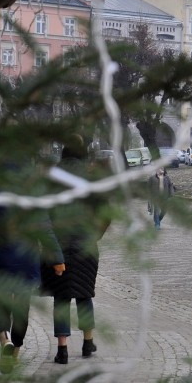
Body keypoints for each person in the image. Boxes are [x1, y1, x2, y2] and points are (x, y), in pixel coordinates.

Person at [0, 161, 65, 374]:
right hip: (26, 261)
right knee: (22, 308)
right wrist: (58, 259)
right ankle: (14, 354)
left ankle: (5, 341)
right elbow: (46, 230)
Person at [42, 139, 111, 364]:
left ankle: (62, 349)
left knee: (61, 296)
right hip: (86, 245)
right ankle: (87, 341)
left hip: (58, 245)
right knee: (84, 293)